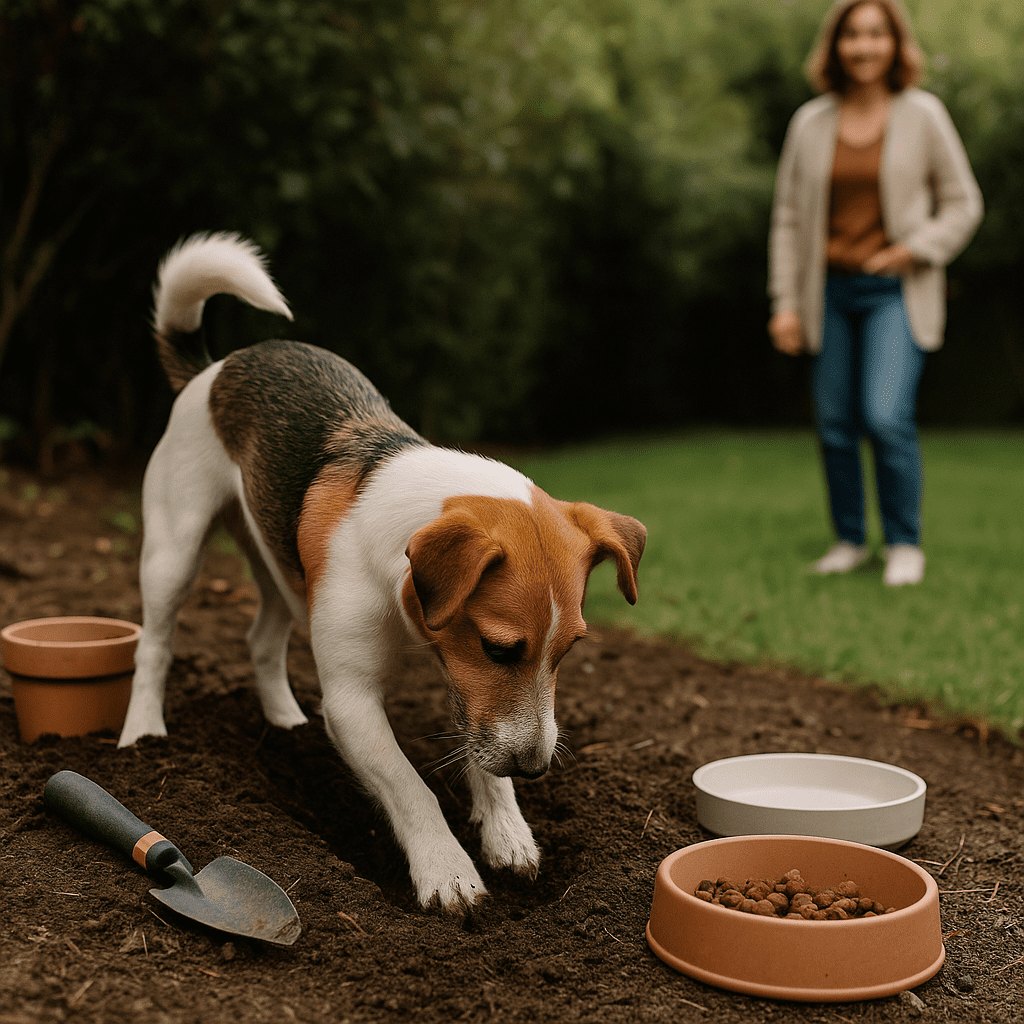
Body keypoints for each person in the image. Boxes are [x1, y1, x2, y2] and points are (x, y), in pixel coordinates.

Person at [768, 0, 982, 586]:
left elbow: (964, 203)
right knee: (835, 421)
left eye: (875, 34)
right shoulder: (810, 121)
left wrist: (917, 248)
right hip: (828, 292)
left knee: (885, 416)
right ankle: (849, 540)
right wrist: (784, 302)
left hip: (896, 290)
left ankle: (905, 542)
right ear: (835, 46)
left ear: (895, 43)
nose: (863, 47)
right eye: (852, 35)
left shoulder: (924, 114)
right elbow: (788, 217)